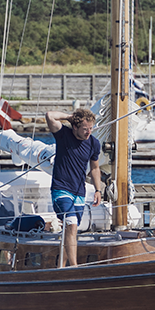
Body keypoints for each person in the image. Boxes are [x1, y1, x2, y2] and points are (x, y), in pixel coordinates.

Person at [46, 108, 102, 268]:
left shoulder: (93, 143)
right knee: (71, 225)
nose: (88, 132)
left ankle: (61, 268)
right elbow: (50, 115)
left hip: (79, 192)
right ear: (75, 127)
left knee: (70, 232)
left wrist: (98, 190)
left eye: (91, 128)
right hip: (61, 189)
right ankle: (74, 267)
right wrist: (70, 117)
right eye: (85, 128)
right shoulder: (64, 135)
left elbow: (95, 168)